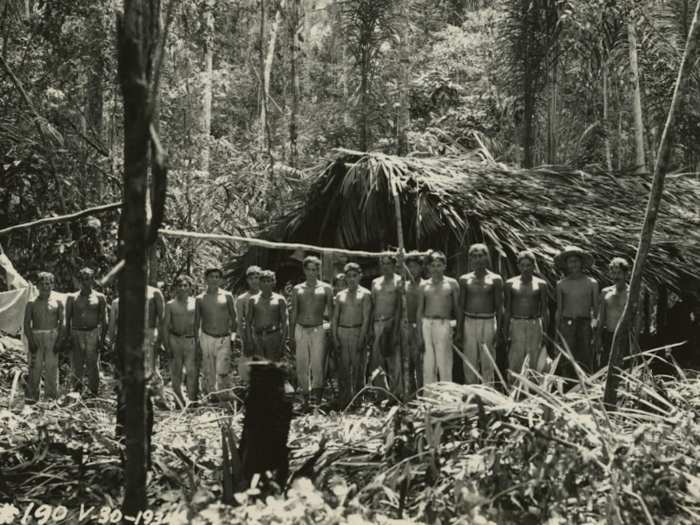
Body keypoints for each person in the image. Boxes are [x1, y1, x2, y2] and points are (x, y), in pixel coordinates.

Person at [106, 281, 166, 405]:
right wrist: (111, 342)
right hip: (129, 336)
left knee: (152, 368)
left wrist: (161, 340)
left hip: (149, 333)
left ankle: (159, 399)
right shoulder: (119, 301)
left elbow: (162, 319)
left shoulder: (154, 292)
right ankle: (133, 400)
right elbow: (114, 325)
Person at [290, 255, 334, 408]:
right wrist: (291, 334)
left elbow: (332, 313)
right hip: (301, 328)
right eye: (308, 269)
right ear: (304, 270)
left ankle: (318, 401)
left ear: (318, 271)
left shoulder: (326, 288)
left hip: (318, 328)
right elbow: (294, 312)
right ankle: (306, 402)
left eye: (314, 270)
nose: (311, 273)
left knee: (318, 365)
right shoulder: (298, 289)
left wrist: (333, 332)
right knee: (302, 365)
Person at [459, 244, 504, 385]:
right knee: (469, 361)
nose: (478, 260)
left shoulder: (495, 279)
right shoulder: (464, 279)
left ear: (487, 257)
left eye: (481, 256)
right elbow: (461, 306)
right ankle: (471, 394)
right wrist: (459, 330)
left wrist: (500, 330)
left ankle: (488, 393)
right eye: (474, 256)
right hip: (469, 321)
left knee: (488, 361)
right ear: (470, 259)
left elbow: (499, 306)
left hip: (488, 321)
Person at [417, 251, 461, 385]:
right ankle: (430, 398)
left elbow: (458, 309)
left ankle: (446, 399)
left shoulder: (452, 284)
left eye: (439, 265)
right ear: (428, 267)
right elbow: (419, 311)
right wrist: (419, 334)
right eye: (433, 266)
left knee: (444, 362)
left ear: (444, 266)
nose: (436, 269)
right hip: (426, 324)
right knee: (428, 363)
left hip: (443, 324)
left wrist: (458, 330)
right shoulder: (424, 285)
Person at [554, 246, 599, 377]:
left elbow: (596, 311)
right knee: (568, 358)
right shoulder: (561, 284)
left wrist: (596, 332)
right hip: (567, 324)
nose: (573, 264)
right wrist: (557, 336)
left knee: (585, 356)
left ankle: (587, 387)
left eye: (576, 260)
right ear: (566, 264)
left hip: (585, 325)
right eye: (570, 261)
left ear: (581, 263)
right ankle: (568, 388)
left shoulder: (592, 283)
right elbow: (559, 310)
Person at [194, 267, 237, 402]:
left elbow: (234, 318)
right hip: (206, 337)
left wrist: (233, 338)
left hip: (224, 337)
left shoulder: (227, 296)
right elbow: (197, 321)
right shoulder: (200, 298)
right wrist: (196, 342)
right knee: (208, 370)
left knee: (222, 370)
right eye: (211, 276)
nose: (214, 279)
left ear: (221, 279)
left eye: (217, 277)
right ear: (206, 279)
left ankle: (224, 398)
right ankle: (211, 398)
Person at [332, 263, 371, 407]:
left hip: (357, 331)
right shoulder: (340, 295)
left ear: (360, 276)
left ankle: (358, 400)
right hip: (342, 331)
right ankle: (345, 400)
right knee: (343, 368)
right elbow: (335, 318)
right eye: (349, 276)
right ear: (345, 278)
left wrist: (362, 338)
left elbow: (367, 318)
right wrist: (335, 338)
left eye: (355, 276)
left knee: (358, 368)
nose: (352, 279)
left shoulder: (365, 294)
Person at [503, 251, 549, 376]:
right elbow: (507, 309)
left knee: (533, 355)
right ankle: (513, 388)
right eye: (522, 265)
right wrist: (506, 329)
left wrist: (545, 331)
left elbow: (544, 310)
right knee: (515, 357)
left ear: (534, 266)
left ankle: (531, 388)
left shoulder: (541, 284)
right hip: (517, 322)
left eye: (528, 265)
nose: (525, 268)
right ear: (518, 266)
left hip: (534, 323)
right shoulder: (510, 283)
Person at [65, 268, 108, 395]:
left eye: (88, 278)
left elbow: (104, 319)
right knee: (77, 364)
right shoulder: (72, 298)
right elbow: (67, 319)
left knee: (93, 364)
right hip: (76, 333)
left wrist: (102, 337)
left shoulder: (100, 297)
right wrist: (67, 337)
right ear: (78, 280)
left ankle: (94, 392)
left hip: (93, 333)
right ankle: (75, 392)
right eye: (82, 279)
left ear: (93, 279)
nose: (85, 281)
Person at [24, 272, 64, 401]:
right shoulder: (31, 303)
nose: (45, 287)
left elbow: (63, 322)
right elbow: (26, 323)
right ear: (37, 286)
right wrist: (30, 341)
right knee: (34, 369)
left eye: (47, 283)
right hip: (36, 337)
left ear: (52, 285)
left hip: (52, 336)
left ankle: (51, 399)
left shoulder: (58, 302)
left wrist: (59, 341)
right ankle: (31, 398)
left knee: (51, 369)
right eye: (41, 284)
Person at [369, 255, 403, 398]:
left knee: (394, 361)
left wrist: (395, 329)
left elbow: (399, 307)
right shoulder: (375, 282)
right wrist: (370, 328)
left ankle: (397, 394)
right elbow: (372, 306)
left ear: (394, 265)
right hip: (377, 322)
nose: (385, 266)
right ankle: (381, 393)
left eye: (388, 263)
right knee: (376, 361)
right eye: (383, 264)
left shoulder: (399, 281)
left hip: (391, 323)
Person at [596, 258, 638, 370]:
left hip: (626, 337)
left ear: (626, 274)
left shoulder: (632, 293)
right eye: (613, 273)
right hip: (609, 335)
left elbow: (638, 319)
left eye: (619, 273)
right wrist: (598, 338)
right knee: (606, 367)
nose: (616, 276)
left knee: (624, 368)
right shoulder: (606, 292)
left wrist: (635, 342)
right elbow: (601, 317)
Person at [163, 275, 198, 406]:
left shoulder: (196, 303)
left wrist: (199, 342)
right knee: (176, 371)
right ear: (175, 288)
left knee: (192, 371)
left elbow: (199, 324)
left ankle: (193, 400)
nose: (182, 288)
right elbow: (165, 325)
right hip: (175, 339)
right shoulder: (170, 305)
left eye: (185, 285)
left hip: (191, 339)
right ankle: (179, 401)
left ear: (190, 287)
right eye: (180, 285)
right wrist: (166, 346)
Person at [246, 270, 288, 362]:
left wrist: (282, 344)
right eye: (263, 281)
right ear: (259, 283)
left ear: (274, 283)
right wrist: (249, 341)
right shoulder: (253, 300)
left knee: (272, 368)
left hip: (274, 336)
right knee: (259, 368)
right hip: (257, 337)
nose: (266, 284)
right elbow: (248, 322)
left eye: (269, 281)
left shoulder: (280, 300)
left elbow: (285, 323)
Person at [402, 251, 425, 396]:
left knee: (420, 362)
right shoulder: (403, 286)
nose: (412, 270)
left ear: (421, 267)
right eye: (409, 266)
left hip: (421, 327)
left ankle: (423, 393)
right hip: (405, 326)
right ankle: (410, 394)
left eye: (415, 266)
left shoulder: (425, 285)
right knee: (407, 362)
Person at [235, 266, 262, 382]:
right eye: (251, 278)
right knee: (249, 366)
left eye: (257, 278)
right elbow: (238, 321)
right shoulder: (242, 298)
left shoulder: (268, 296)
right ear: (247, 280)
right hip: (250, 335)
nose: (254, 281)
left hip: (266, 335)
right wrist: (245, 340)